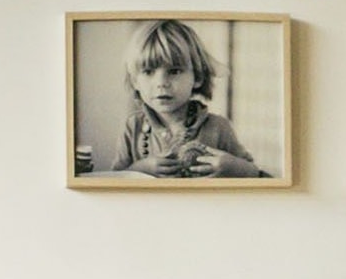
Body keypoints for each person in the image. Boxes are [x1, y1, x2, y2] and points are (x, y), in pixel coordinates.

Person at [104, 19, 266, 177]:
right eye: (148, 72)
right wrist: (139, 169)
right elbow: (114, 182)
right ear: (135, 81)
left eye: (174, 71)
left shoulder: (218, 127)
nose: (161, 83)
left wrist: (239, 169)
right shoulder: (133, 128)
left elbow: (259, 178)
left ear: (198, 77)